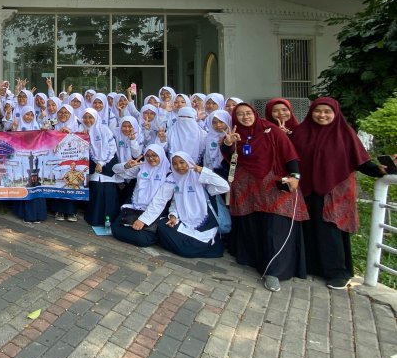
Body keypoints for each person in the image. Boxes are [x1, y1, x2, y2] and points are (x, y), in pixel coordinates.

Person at [291, 97, 388, 289]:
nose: (322, 115)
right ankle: (312, 265)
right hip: (306, 190)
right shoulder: (301, 132)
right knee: (308, 227)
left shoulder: (344, 134)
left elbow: (360, 161)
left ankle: (337, 271)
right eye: (318, 111)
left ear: (335, 114)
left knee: (331, 229)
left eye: (327, 112)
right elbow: (288, 155)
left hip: (333, 191)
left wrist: (378, 170)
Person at [222, 103, 305, 292]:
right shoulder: (234, 135)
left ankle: (274, 271)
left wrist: (295, 176)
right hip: (248, 187)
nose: (245, 117)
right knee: (254, 225)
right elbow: (229, 157)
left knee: (275, 227)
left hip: (272, 184)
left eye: (248, 113)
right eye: (240, 114)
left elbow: (289, 154)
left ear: (255, 113)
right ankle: (254, 260)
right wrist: (228, 144)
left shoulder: (271, 130)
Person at [156, 152, 230, 258]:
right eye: (175, 164)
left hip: (204, 221)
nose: (179, 167)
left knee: (194, 244)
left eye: (182, 162)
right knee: (163, 226)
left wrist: (203, 171)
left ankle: (185, 248)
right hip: (184, 219)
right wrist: (173, 216)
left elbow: (225, 187)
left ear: (189, 162)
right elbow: (176, 202)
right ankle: (187, 249)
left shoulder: (201, 178)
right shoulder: (175, 179)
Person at [111, 144, 172, 248]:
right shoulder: (142, 168)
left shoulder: (169, 175)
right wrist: (126, 165)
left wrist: (143, 220)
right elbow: (115, 170)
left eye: (154, 155)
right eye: (147, 155)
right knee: (116, 229)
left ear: (161, 155)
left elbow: (160, 202)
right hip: (136, 206)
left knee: (143, 239)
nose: (151, 158)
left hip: (155, 210)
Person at [82, 108, 119, 228]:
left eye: (90, 117)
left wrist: (102, 162)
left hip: (107, 164)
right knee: (96, 191)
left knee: (107, 191)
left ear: (96, 118)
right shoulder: (84, 131)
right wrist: (96, 162)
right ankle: (94, 219)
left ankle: (109, 221)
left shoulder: (104, 129)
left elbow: (112, 148)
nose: (88, 120)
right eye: (85, 117)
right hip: (93, 166)